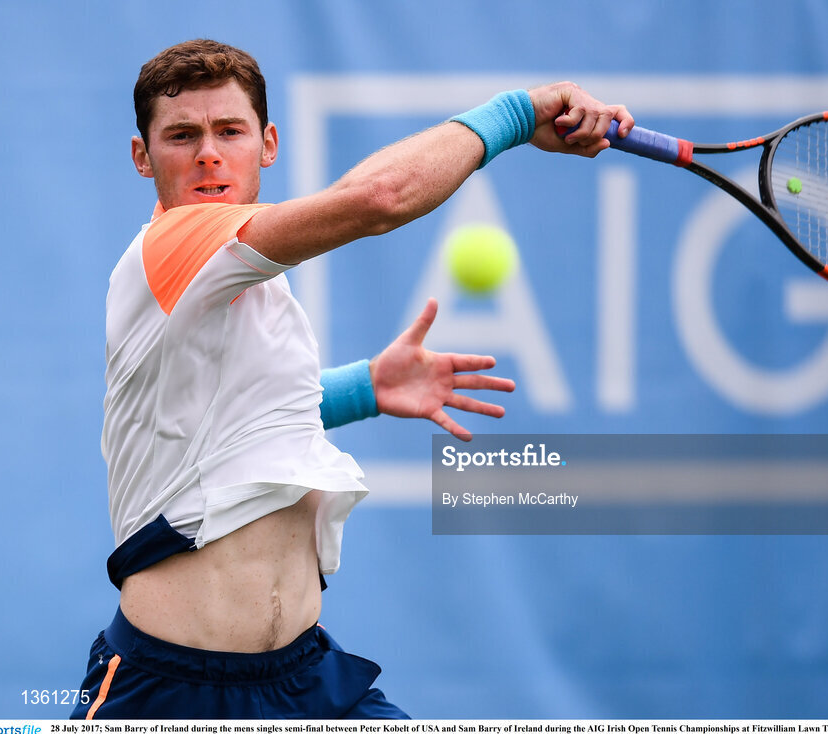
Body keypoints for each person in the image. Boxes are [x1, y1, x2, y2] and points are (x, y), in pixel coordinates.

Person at [71, 39, 633, 720]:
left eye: (229, 131)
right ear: (143, 158)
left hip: (306, 678)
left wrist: (365, 387)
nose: (208, 153)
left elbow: (232, 427)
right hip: (169, 691)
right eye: (182, 135)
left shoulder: (261, 292)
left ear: (268, 143)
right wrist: (517, 115)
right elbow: (378, 199)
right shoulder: (172, 248)